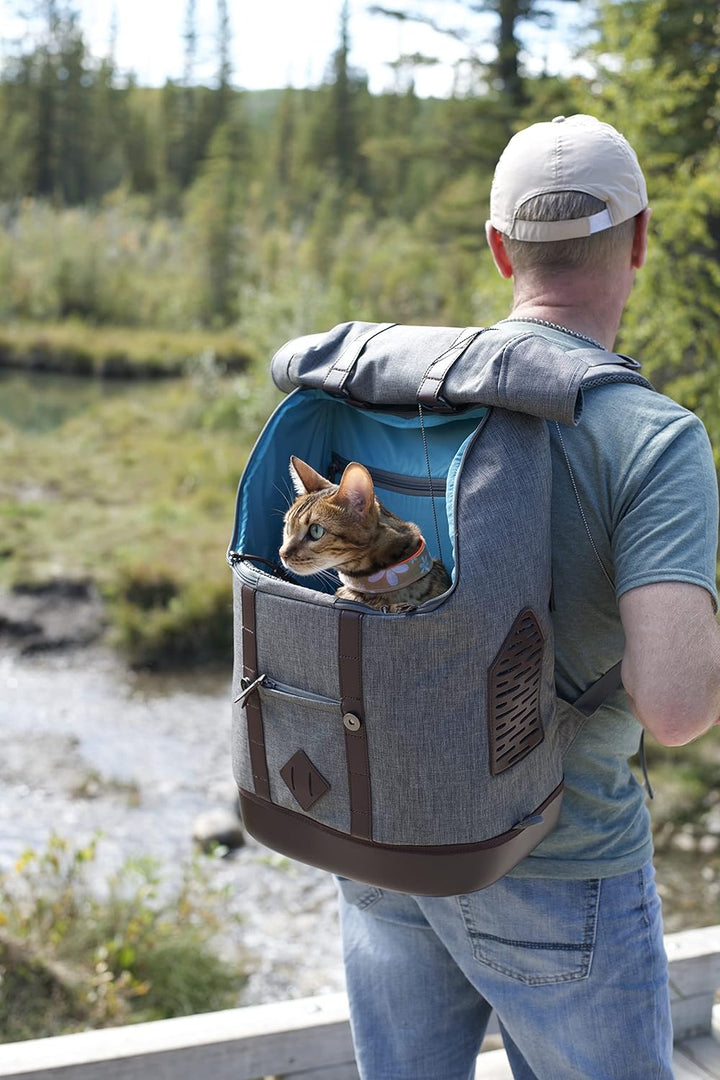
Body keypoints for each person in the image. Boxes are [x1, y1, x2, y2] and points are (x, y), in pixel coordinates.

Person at [337, 115, 720, 1080]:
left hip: (384, 832)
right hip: (558, 862)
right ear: (639, 241)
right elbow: (676, 710)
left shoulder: (399, 391)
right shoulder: (653, 439)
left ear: (501, 248)